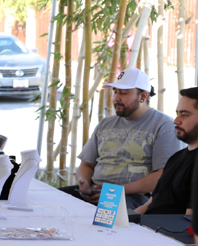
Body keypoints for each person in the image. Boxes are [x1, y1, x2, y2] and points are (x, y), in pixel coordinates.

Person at [67, 67, 182, 210]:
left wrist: (119, 190)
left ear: (143, 96)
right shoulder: (106, 124)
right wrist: (83, 182)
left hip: (134, 196)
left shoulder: (164, 126)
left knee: (102, 215)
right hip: (95, 192)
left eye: (124, 93)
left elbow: (163, 176)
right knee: (54, 201)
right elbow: (86, 164)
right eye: (115, 92)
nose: (116, 98)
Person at [135, 87, 198, 215]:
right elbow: (150, 204)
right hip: (147, 228)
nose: (176, 121)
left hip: (168, 233)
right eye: (177, 113)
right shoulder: (176, 158)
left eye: (184, 115)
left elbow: (189, 223)